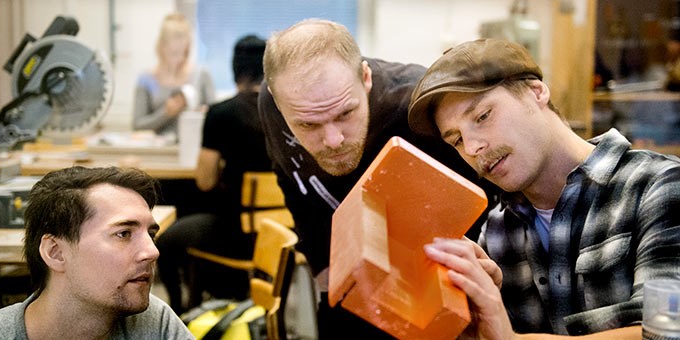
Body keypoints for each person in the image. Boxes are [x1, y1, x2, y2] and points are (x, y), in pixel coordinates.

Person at [409, 38, 680, 338]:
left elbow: (666, 330)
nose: (473, 147)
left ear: (536, 91)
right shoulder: (497, 232)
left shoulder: (658, 186)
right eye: (456, 140)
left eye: (483, 116)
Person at [258, 19, 496, 338]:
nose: (333, 139)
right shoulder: (274, 105)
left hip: (433, 282)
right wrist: (320, 264)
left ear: (366, 78)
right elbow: (288, 176)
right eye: (309, 125)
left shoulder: (420, 104)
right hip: (347, 279)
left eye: (345, 114)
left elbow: (489, 196)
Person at [0, 166, 193, 339]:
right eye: (124, 234)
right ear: (56, 253)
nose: (152, 252)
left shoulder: (154, 324)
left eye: (150, 235)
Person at [156, 34, 271, 313]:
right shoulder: (283, 109)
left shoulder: (222, 113)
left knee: (168, 239)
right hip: (278, 231)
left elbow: (205, 181)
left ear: (235, 70)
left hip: (235, 232)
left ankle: (179, 309)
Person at [133, 12, 215, 139]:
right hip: (158, 151)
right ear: (162, 46)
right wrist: (166, 112)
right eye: (174, 52)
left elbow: (216, 119)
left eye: (184, 52)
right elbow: (137, 126)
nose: (180, 59)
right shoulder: (146, 79)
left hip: (193, 148)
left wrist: (201, 115)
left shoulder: (201, 75)